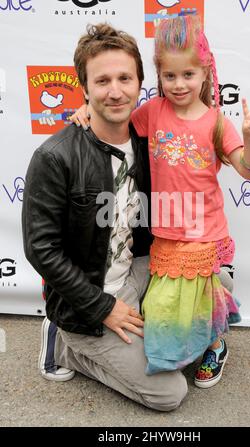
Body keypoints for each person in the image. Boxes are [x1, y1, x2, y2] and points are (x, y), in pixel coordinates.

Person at [71, 15, 250, 388]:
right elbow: (115, 123)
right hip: (165, 234)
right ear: (158, 75)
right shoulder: (152, 113)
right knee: (164, 310)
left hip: (204, 234)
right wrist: (87, 110)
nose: (179, 85)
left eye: (188, 75)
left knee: (200, 304)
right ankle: (181, 354)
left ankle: (215, 346)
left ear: (205, 73)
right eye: (170, 76)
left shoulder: (216, 122)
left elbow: (248, 170)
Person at [22, 22, 188, 411]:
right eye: (102, 81)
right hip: (88, 299)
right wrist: (103, 308)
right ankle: (64, 345)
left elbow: (198, 104)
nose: (115, 91)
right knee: (169, 393)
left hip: (136, 272)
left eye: (125, 78)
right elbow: (41, 249)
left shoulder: (152, 140)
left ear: (141, 83)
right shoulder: (55, 157)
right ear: (84, 88)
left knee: (216, 284)